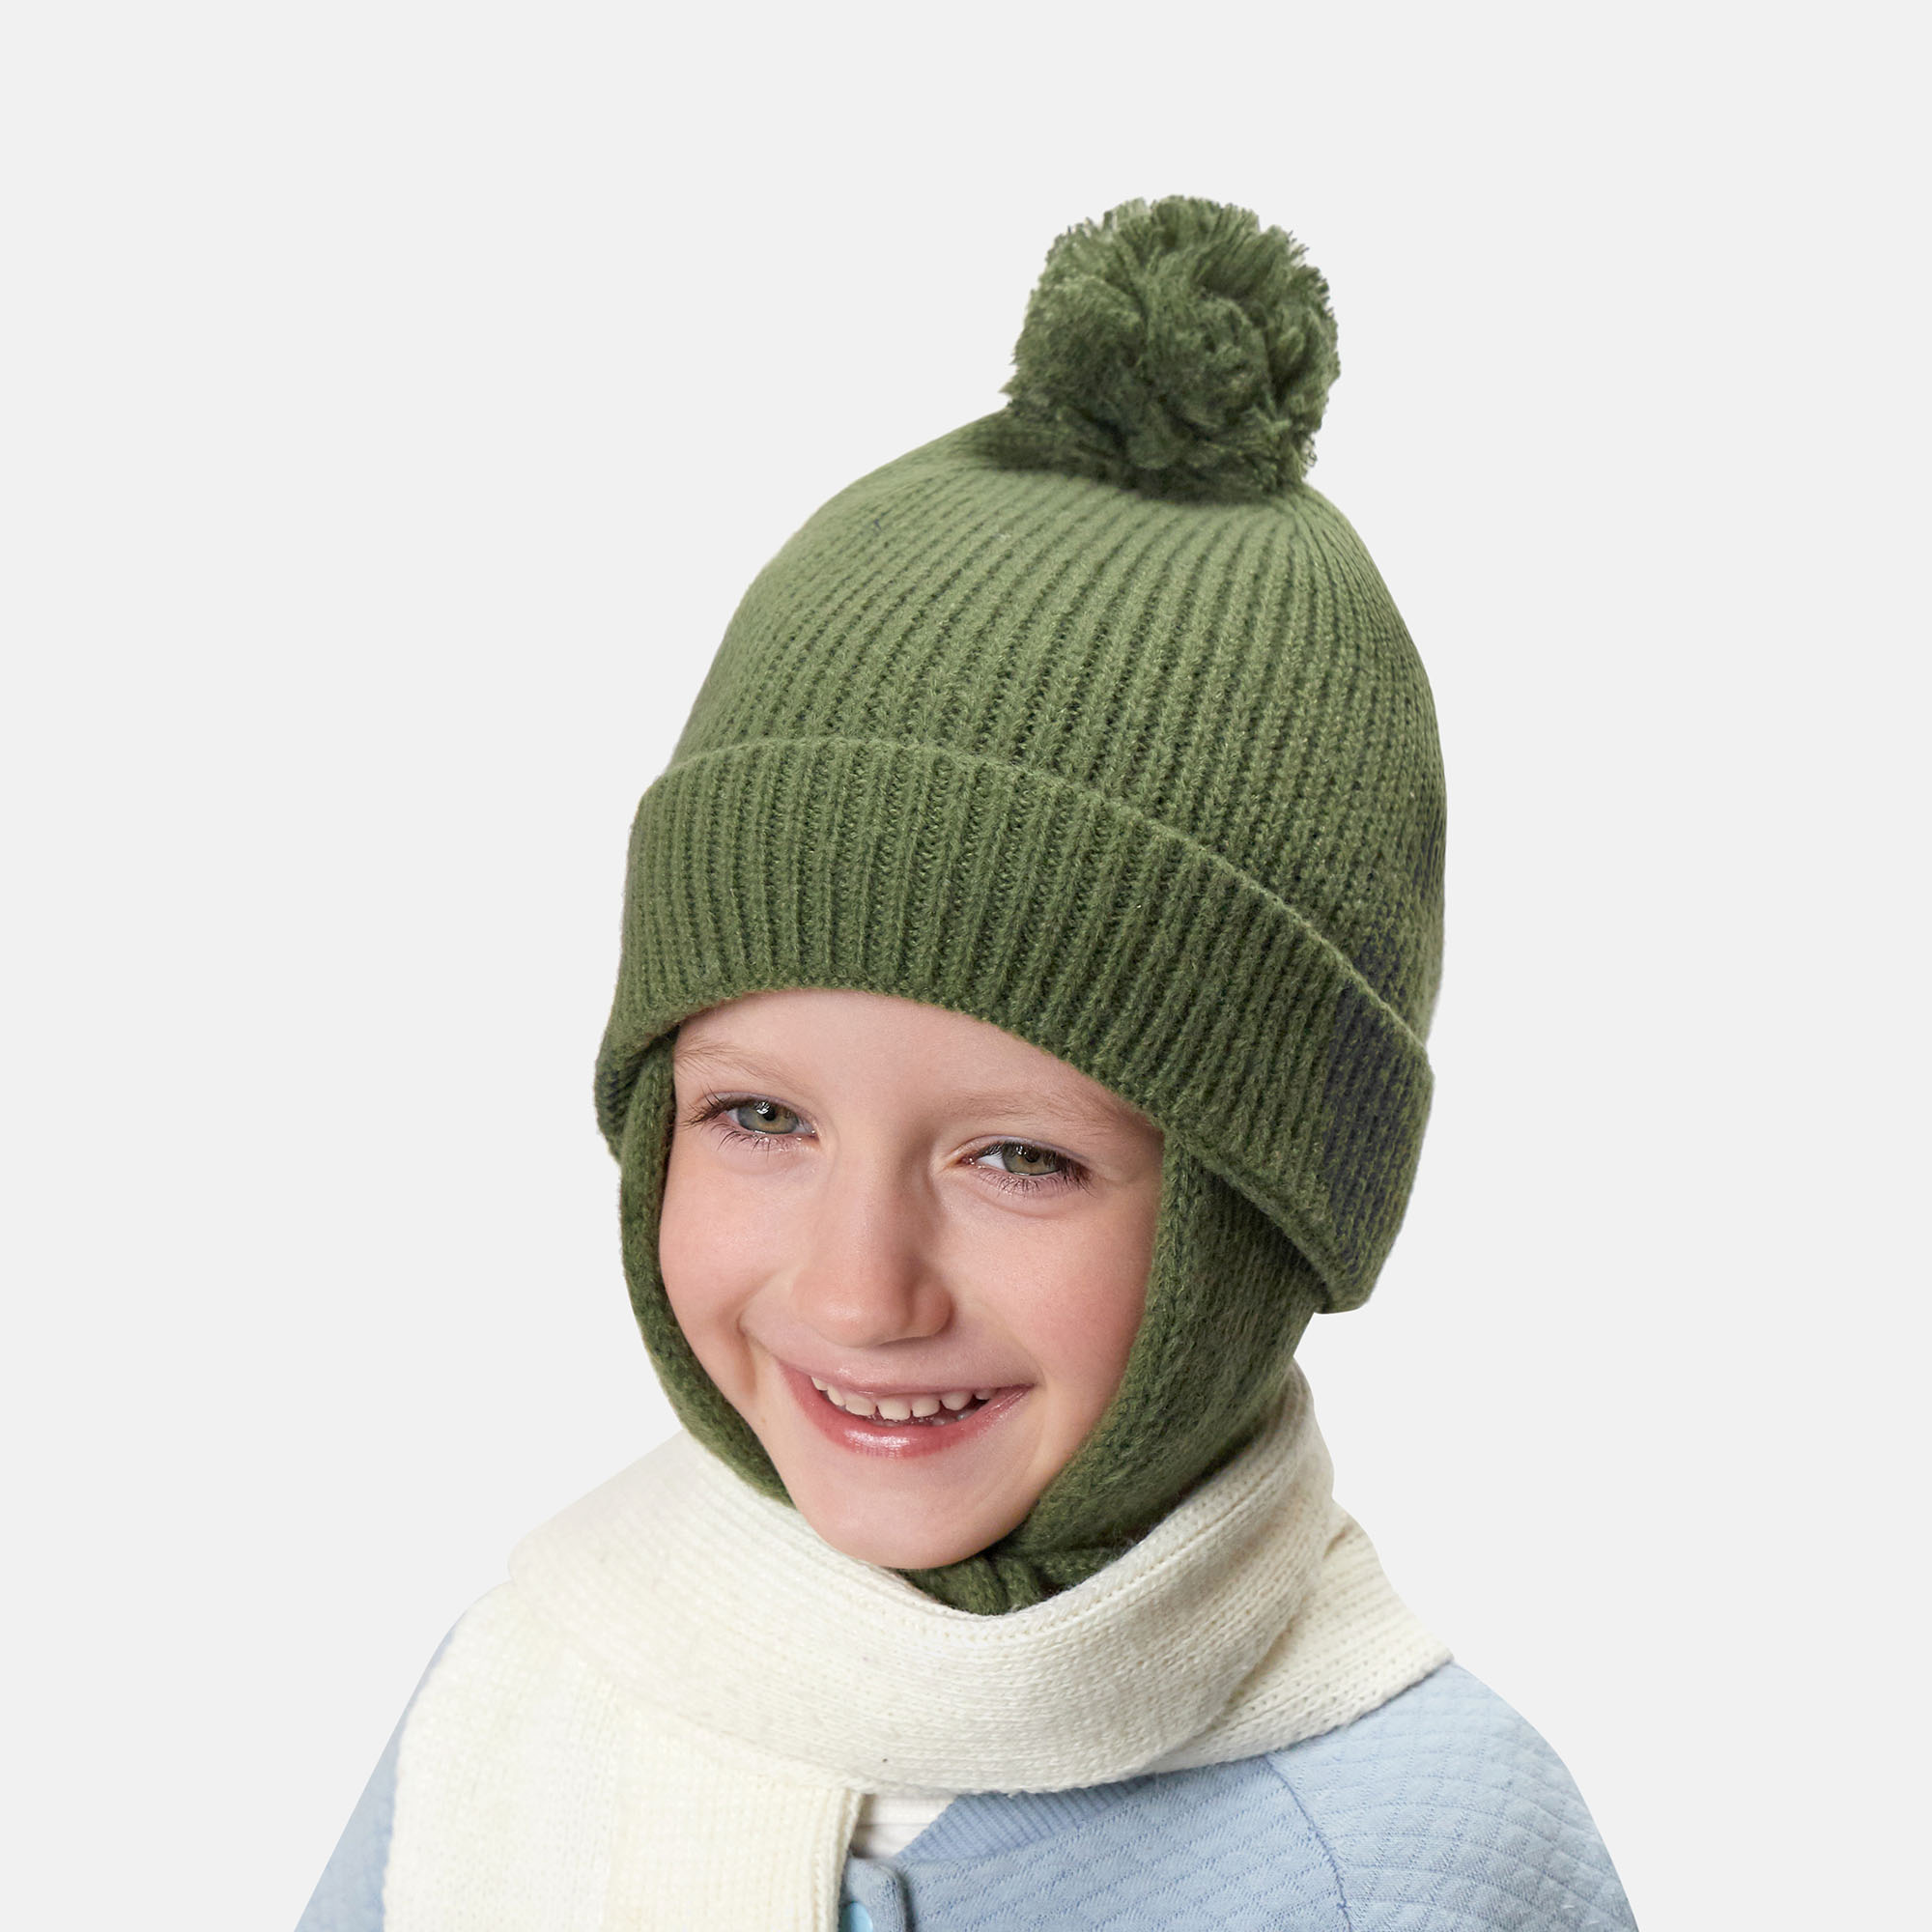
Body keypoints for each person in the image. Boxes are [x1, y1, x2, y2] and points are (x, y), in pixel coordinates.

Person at [298, 195, 1636, 1931]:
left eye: (1022, 1159)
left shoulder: (1400, 1862)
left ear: (1273, 1212)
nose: (858, 1294)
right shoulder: (528, 1694)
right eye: (758, 1116)